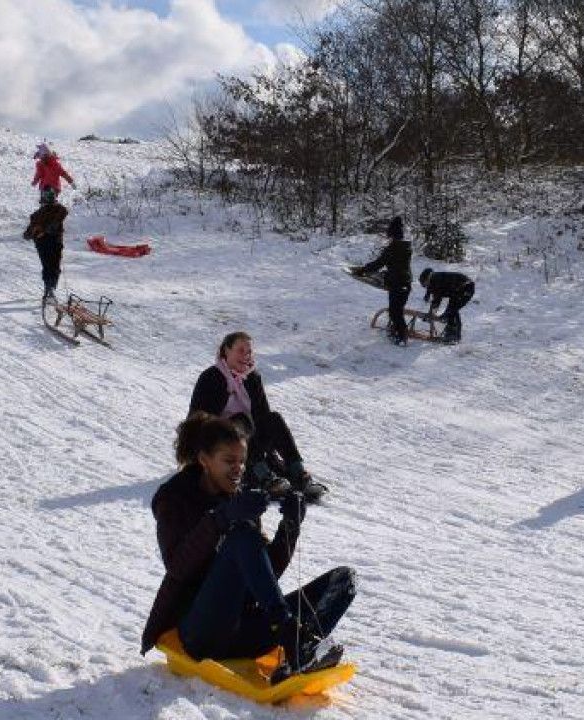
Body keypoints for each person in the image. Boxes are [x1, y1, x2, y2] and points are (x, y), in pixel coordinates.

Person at [140, 413, 355, 684]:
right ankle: (292, 640)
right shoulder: (174, 498)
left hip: (243, 631)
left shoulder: (239, 496)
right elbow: (177, 567)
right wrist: (221, 519)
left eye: (242, 462)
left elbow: (264, 574)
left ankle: (300, 651)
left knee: (343, 580)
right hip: (199, 632)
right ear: (205, 460)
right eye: (229, 461)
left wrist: (289, 528)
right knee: (241, 536)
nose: (238, 469)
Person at [188, 333, 329, 502]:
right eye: (241, 351)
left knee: (273, 419)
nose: (246, 356)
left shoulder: (252, 377)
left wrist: (272, 456)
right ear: (226, 350)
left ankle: (298, 473)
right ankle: (264, 477)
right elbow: (197, 421)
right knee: (240, 420)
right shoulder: (210, 377)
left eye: (249, 352)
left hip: (249, 444)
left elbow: (262, 417)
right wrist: (228, 392)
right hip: (219, 446)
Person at [350, 217, 413, 345]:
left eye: (389, 235)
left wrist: (363, 270)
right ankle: (396, 331)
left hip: (398, 283)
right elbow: (396, 265)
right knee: (396, 310)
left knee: (396, 312)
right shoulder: (406, 247)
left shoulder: (393, 248)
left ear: (392, 235)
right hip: (405, 282)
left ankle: (402, 337)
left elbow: (379, 263)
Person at [23, 197, 68, 299]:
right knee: (51, 266)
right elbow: (27, 235)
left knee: (51, 266)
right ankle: (49, 289)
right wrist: (32, 233)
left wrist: (40, 231)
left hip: (52, 243)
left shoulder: (58, 210)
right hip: (46, 244)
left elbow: (59, 218)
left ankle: (50, 289)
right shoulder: (37, 215)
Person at [417, 268, 476, 344]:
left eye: (424, 284)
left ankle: (454, 335)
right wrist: (430, 313)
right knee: (450, 311)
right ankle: (451, 332)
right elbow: (432, 293)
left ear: (427, 279)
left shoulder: (436, 280)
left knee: (452, 310)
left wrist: (430, 314)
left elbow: (436, 300)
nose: (425, 286)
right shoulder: (434, 279)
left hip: (466, 288)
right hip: (457, 290)